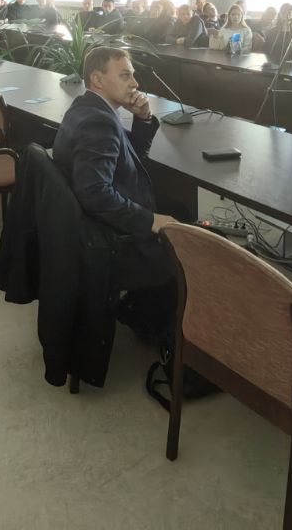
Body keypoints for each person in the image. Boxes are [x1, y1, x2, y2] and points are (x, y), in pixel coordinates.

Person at [52, 47, 192, 336]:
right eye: (125, 75)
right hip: (108, 237)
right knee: (190, 226)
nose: (135, 83)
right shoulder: (99, 122)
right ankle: (163, 325)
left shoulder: (86, 107)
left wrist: (143, 117)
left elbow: (126, 154)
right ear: (97, 79)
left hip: (90, 221)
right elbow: (94, 192)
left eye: (133, 75)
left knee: (181, 208)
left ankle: (146, 308)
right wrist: (151, 220)